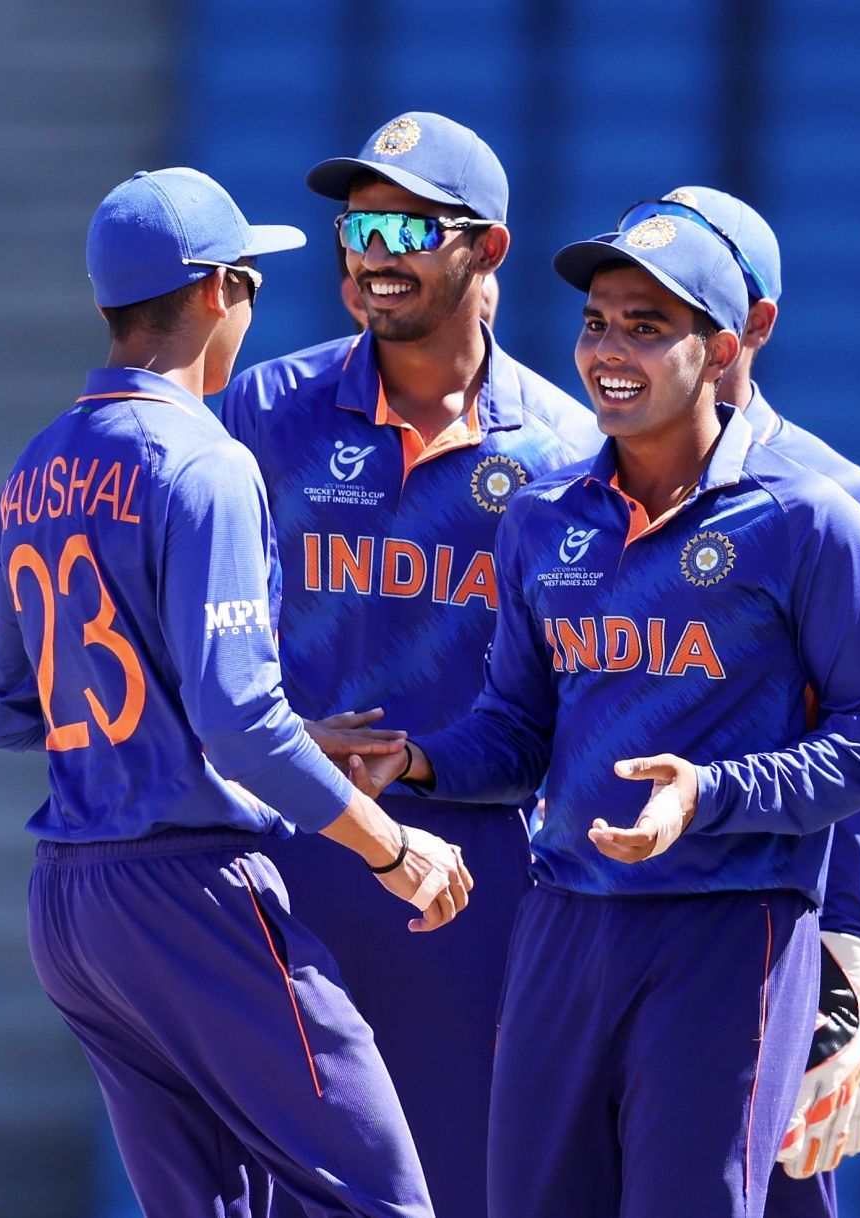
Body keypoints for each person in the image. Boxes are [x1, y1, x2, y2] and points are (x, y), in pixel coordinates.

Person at [359, 216, 860, 1218]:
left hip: (729, 928)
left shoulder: (808, 516)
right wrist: (414, 763)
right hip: (564, 925)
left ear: (727, 345)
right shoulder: (542, 516)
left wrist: (714, 796)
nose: (610, 352)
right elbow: (518, 734)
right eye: (596, 323)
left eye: (647, 326)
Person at [0, 167, 473, 1218]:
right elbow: (240, 726)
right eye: (248, 278)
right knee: (381, 1204)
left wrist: (251, 731)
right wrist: (396, 849)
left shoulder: (34, 466)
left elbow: (11, 709)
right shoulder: (204, 460)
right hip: (192, 890)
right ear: (214, 292)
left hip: (71, 904)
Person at [220, 111, 596, 1218]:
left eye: (407, 225)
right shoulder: (262, 415)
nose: (372, 250)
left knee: (470, 1185)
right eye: (356, 223)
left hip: (480, 881)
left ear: (488, 251)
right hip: (292, 859)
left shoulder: (571, 453)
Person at [615, 185, 860, 1212]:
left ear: (750, 325)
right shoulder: (589, 485)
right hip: (606, 937)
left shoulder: (824, 495)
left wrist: (844, 984)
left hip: (760, 949)